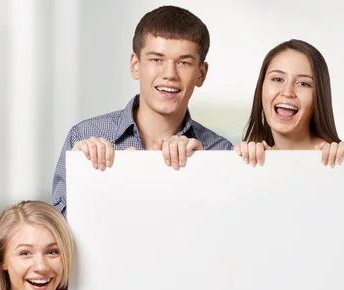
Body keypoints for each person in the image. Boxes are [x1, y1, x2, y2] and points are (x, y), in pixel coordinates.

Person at [51, 5, 233, 217]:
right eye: (156, 60)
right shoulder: (83, 136)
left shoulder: (219, 152)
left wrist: (202, 172)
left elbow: (226, 237)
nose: (169, 74)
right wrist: (83, 178)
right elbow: (55, 238)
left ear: (201, 74)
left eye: (183, 62)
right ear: (135, 65)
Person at [235, 39, 344, 165]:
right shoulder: (249, 160)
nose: (287, 92)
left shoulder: (343, 160)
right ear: (261, 87)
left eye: (303, 83)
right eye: (277, 79)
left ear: (318, 97)